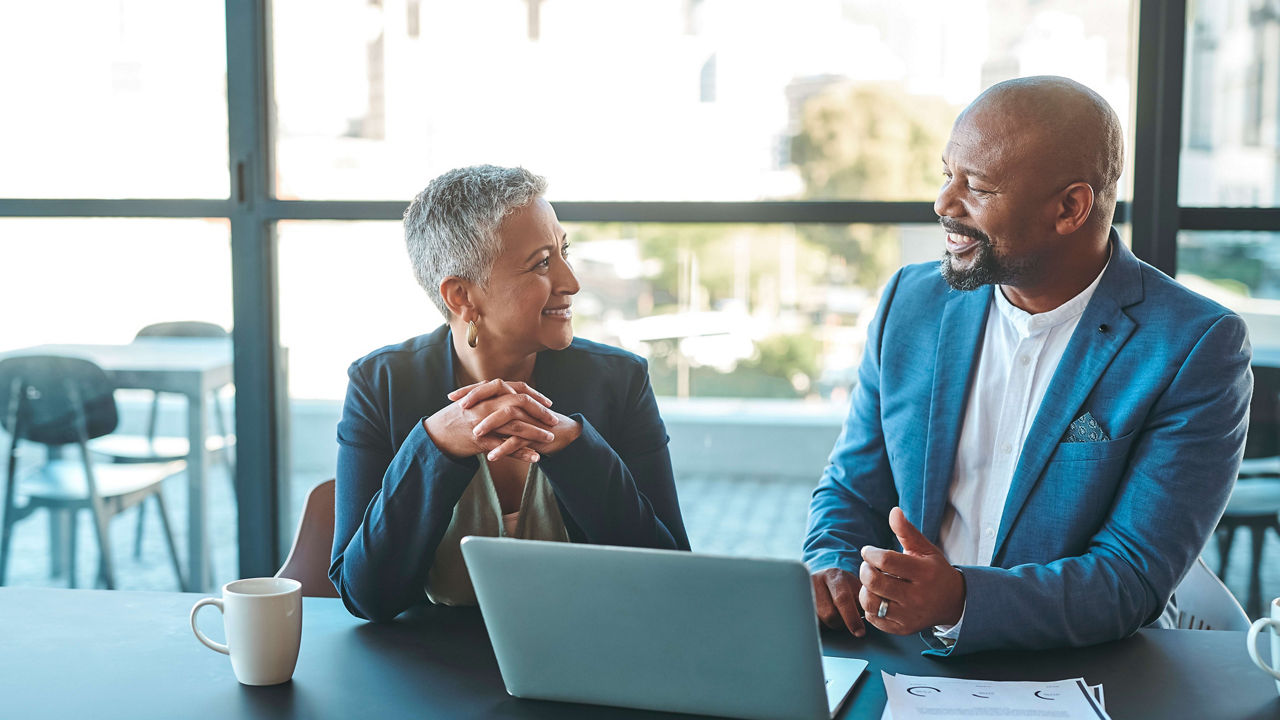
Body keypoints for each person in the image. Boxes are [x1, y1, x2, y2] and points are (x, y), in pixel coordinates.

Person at [803, 76, 1252, 656]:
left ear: (1070, 207)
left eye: (978, 187)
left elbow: (1131, 578)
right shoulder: (909, 304)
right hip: (899, 655)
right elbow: (850, 489)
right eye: (947, 174)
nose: (944, 203)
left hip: (1080, 677)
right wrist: (832, 565)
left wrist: (960, 600)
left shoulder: (1195, 347)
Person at [331, 165, 690, 621]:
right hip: (432, 672)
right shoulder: (378, 384)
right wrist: (433, 447)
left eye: (564, 252)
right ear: (461, 297)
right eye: (542, 262)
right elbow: (365, 596)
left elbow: (671, 574)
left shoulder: (620, 381)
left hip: (594, 654)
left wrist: (576, 447)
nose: (571, 282)